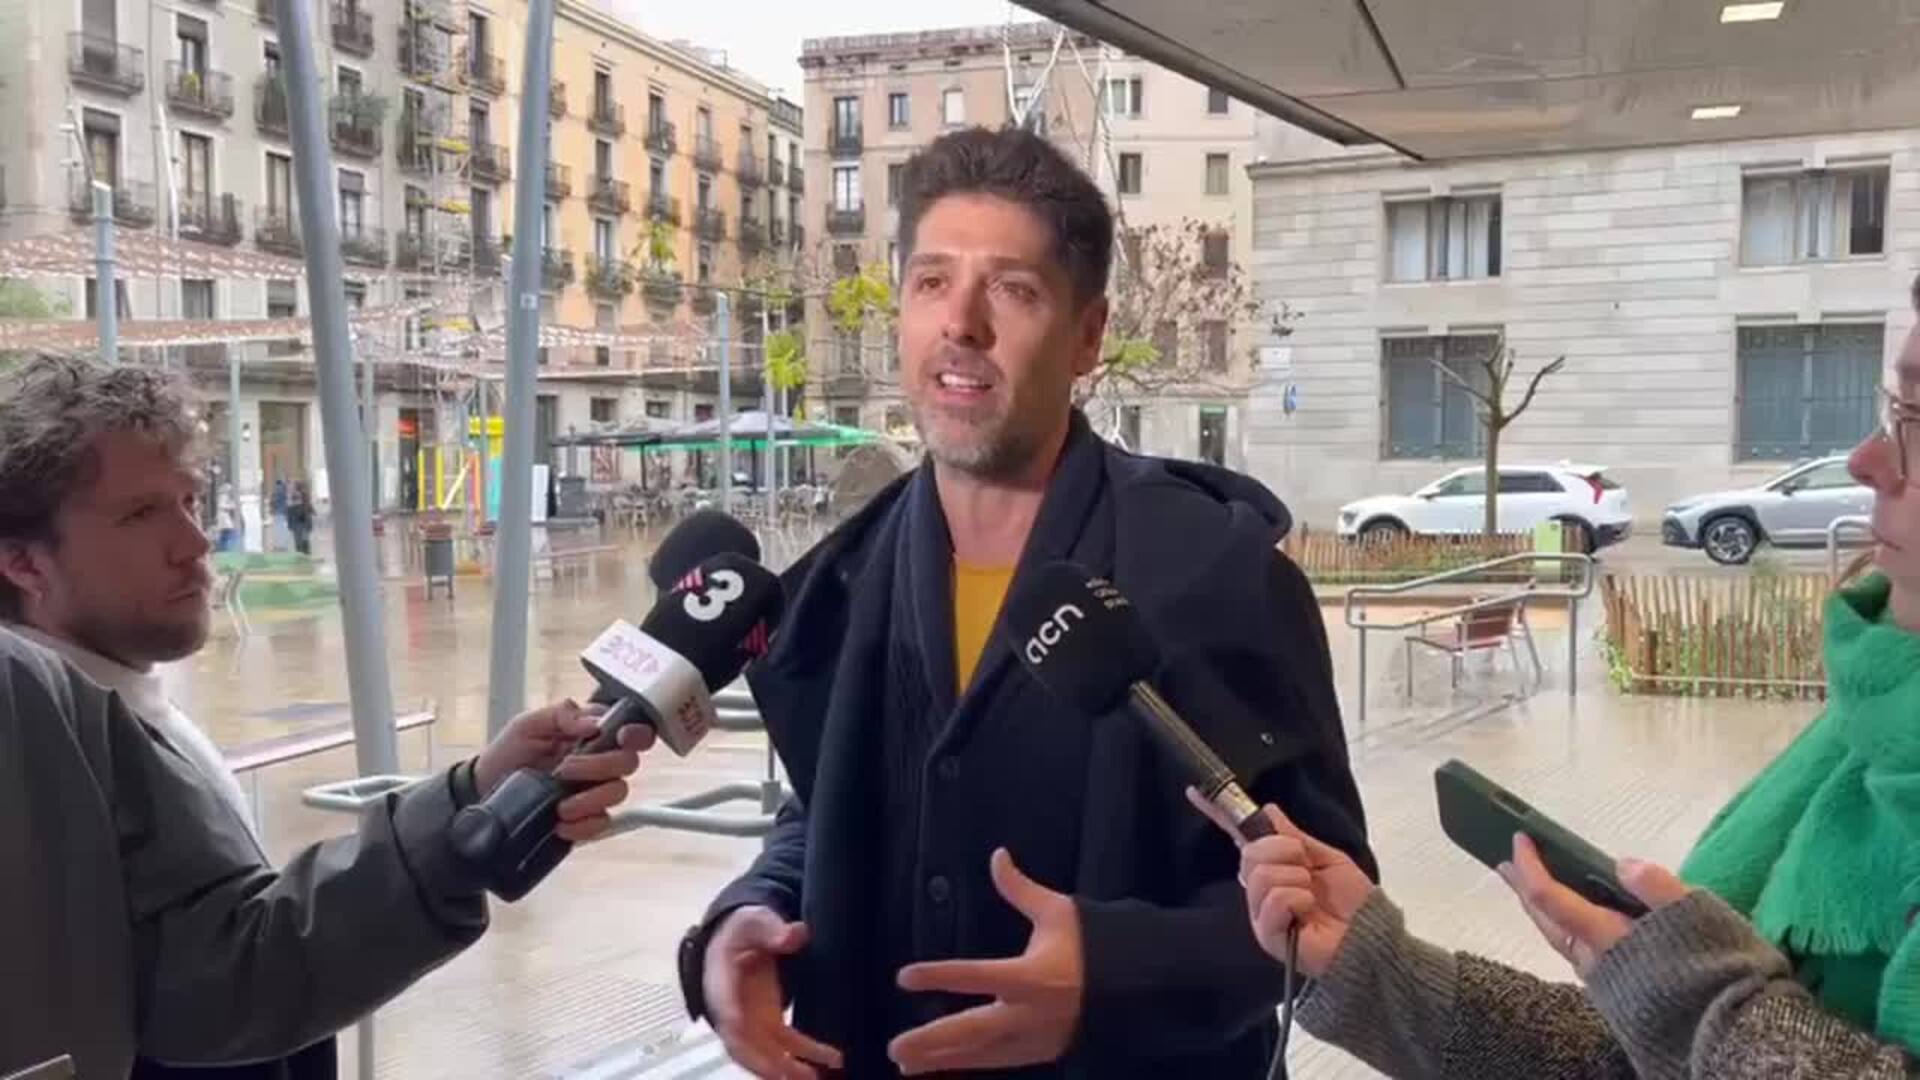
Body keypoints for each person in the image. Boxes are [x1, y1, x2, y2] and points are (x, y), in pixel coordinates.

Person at [678, 127, 1373, 1079]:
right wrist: (749, 913)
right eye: (932, 281)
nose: (961, 323)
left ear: (1088, 336)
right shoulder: (840, 580)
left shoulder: (1218, 573)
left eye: (1012, 289)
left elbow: (1330, 898)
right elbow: (830, 807)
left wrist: (1117, 976)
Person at [1202, 281, 1920, 1079]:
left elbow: (1700, 1034)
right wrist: (1380, 971)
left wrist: (1701, 1002)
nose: (1867, 460)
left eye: (1918, 422)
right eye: (1894, 409)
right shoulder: (1865, 728)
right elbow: (1622, 1063)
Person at [0, 357, 653, 1079]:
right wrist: (453, 833)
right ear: (24, 563)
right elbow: (219, 983)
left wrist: (476, 792)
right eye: (139, 514)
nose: (193, 543)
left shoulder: (115, 696)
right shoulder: (33, 729)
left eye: (188, 501)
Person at [286, 480, 314, 556]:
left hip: (299, 522)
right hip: (302, 522)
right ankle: (305, 555)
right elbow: (309, 510)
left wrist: (290, 525)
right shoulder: (303, 496)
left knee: (299, 540)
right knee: (303, 540)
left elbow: (289, 511)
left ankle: (302, 555)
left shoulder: (295, 497)